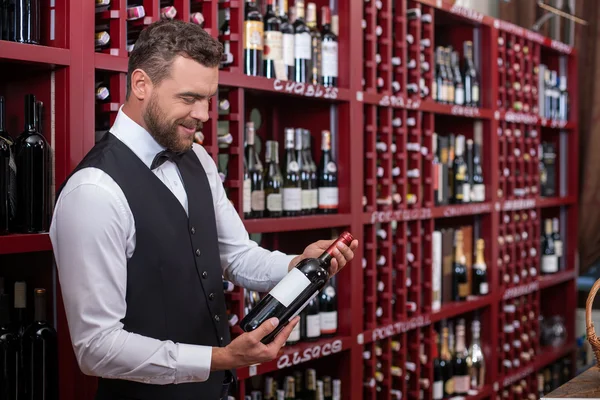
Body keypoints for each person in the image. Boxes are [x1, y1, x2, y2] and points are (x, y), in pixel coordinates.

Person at [49, 18, 358, 400]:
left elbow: (237, 255)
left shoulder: (198, 158)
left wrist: (294, 265)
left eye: (209, 99)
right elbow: (97, 348)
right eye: (189, 98)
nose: (204, 115)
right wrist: (219, 358)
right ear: (141, 84)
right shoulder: (94, 192)